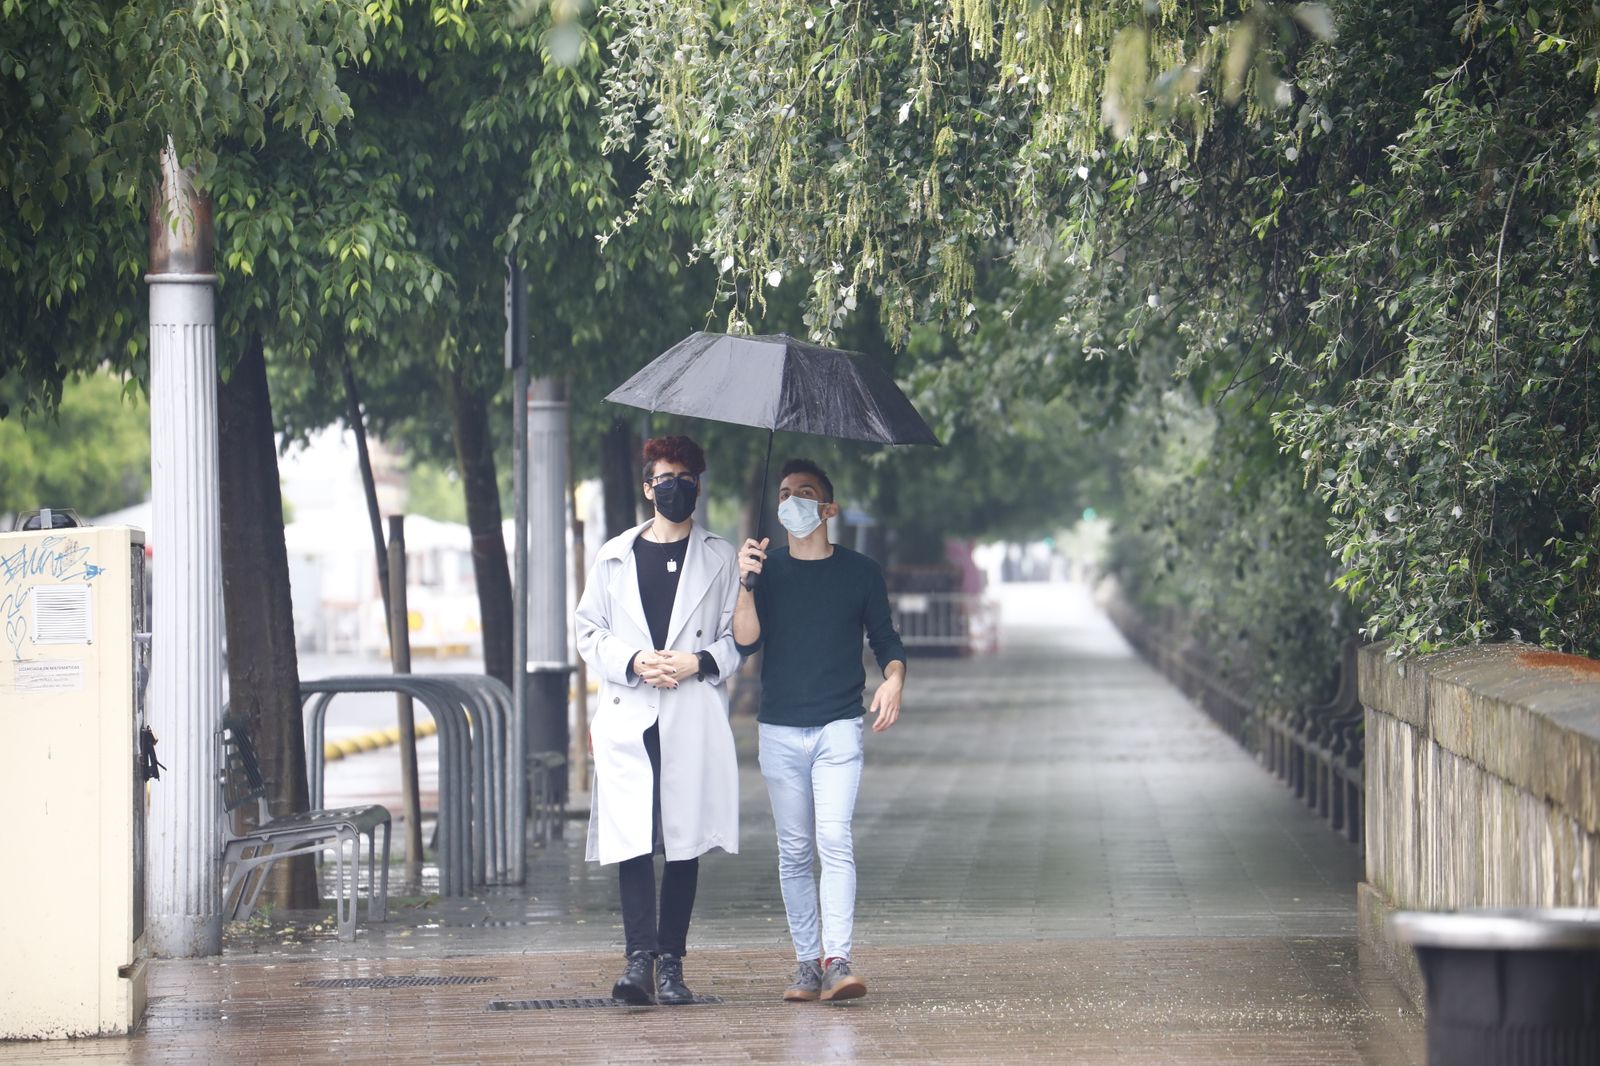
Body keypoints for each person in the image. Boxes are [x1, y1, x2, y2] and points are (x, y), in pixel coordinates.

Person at [575, 435, 742, 1005]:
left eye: (686, 478)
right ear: (648, 487)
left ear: (698, 485)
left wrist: (699, 660)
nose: (676, 487)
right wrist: (633, 660)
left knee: (684, 839)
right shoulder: (614, 555)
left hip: (690, 710)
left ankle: (672, 962)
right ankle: (636, 962)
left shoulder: (721, 557)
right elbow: (587, 631)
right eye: (665, 478)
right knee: (631, 838)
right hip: (630, 713)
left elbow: (737, 640)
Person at [733, 457, 906, 1003]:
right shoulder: (768, 571)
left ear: (827, 507)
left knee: (833, 840)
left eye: (804, 492)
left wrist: (893, 681)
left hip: (838, 726)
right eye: (784, 492)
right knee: (793, 850)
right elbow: (744, 642)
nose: (792, 500)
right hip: (780, 729)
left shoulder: (860, 572)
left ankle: (838, 959)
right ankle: (807, 963)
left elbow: (887, 641)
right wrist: (745, 583)